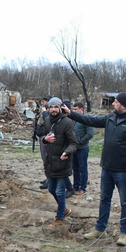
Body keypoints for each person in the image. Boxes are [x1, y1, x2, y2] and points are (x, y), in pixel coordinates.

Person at [62, 93, 126, 246]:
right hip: (107, 168)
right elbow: (90, 120)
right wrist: (71, 113)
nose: (113, 104)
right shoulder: (110, 118)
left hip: (123, 171)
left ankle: (124, 232)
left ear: (124, 105)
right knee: (104, 199)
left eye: (116, 102)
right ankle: (100, 228)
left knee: (125, 202)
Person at [41, 97, 77, 228]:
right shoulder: (47, 121)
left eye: (56, 107)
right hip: (50, 162)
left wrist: (66, 152)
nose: (54, 110)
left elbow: (73, 143)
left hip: (63, 161)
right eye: (51, 107)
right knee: (51, 189)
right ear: (48, 108)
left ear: (60, 107)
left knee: (60, 191)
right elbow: (44, 138)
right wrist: (45, 139)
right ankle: (64, 210)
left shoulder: (67, 122)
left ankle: (59, 218)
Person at [71, 102, 94, 195]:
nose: (74, 111)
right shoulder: (73, 119)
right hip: (73, 148)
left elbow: (90, 134)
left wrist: (80, 141)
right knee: (75, 168)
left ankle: (83, 187)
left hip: (82, 148)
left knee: (82, 168)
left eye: (76, 109)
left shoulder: (86, 119)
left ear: (81, 109)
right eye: (74, 109)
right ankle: (75, 186)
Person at [36, 95, 52, 189]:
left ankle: (49, 180)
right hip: (42, 137)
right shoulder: (43, 112)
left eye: (46, 101)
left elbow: (47, 122)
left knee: (48, 160)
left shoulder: (50, 112)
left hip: (47, 138)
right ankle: (47, 178)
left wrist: (45, 112)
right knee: (44, 160)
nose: (44, 103)